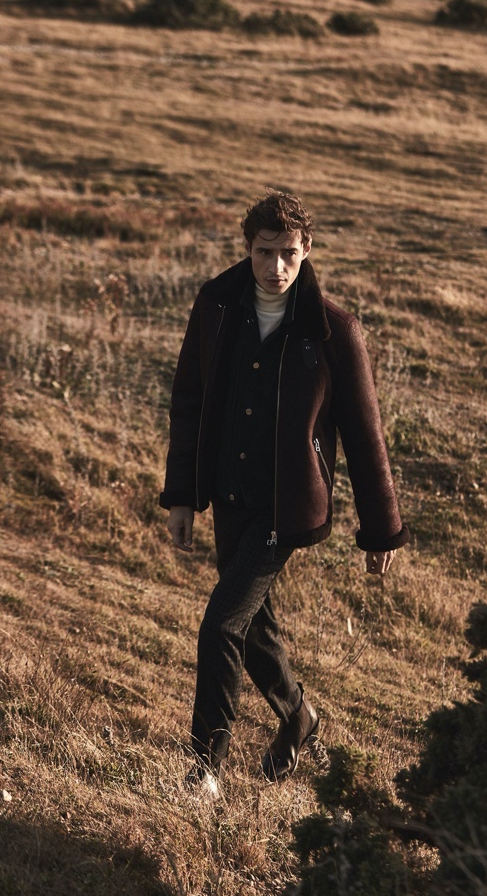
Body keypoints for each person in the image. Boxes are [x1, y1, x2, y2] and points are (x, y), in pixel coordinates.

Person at [160, 189, 409, 797]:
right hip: (229, 492)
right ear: (247, 249)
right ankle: (299, 717)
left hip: (287, 505)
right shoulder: (217, 305)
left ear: (308, 249)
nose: (275, 268)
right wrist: (184, 495)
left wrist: (380, 531)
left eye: (288, 254)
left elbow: (365, 433)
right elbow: (189, 400)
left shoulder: (332, 331)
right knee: (253, 624)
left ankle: (204, 771)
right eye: (264, 253)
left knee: (221, 624)